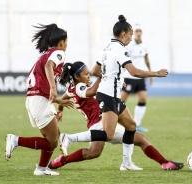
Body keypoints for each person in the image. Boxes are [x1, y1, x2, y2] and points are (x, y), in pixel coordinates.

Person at [59, 15, 169, 170]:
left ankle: (127, 163)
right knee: (108, 135)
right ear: (123, 34)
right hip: (109, 95)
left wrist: (114, 76)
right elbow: (134, 72)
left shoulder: (106, 48)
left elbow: (95, 70)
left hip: (112, 94)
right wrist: (156, 73)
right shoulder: (120, 49)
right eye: (130, 35)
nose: (131, 38)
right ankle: (70, 138)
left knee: (131, 125)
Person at [48, 61, 184, 171]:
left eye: (89, 73)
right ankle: (163, 163)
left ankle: (62, 160)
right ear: (77, 77)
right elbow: (91, 91)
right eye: (86, 74)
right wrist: (104, 76)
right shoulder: (79, 87)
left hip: (104, 119)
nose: (89, 76)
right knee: (140, 138)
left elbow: (65, 96)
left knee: (94, 152)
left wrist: (60, 109)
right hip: (99, 123)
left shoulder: (74, 87)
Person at [5, 23, 73, 176]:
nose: (67, 45)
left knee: (53, 136)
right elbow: (49, 67)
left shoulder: (45, 54)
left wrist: (58, 101)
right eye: (67, 41)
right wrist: (54, 89)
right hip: (39, 100)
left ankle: (41, 169)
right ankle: (16, 140)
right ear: (61, 42)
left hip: (35, 99)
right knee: (53, 141)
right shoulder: (58, 53)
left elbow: (42, 82)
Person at [121, 24, 152, 132]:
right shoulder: (129, 45)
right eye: (136, 31)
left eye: (140, 31)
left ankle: (137, 124)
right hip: (129, 76)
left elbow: (146, 59)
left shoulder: (144, 45)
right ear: (134, 32)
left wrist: (150, 73)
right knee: (122, 100)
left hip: (141, 76)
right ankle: (117, 122)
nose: (138, 32)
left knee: (143, 98)